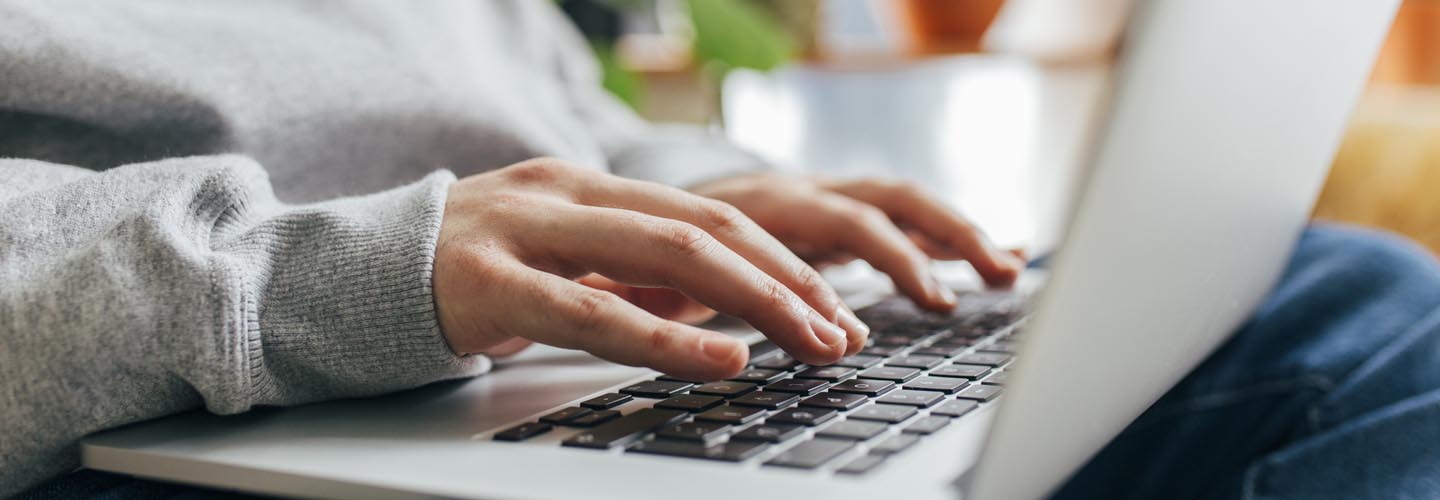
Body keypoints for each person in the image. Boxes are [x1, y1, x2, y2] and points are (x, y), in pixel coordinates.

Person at [1, 2, 1436, 499]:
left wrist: (735, 200)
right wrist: (338, 277)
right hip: (190, 400)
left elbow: (560, 119)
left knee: (1353, 304)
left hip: (550, 370)